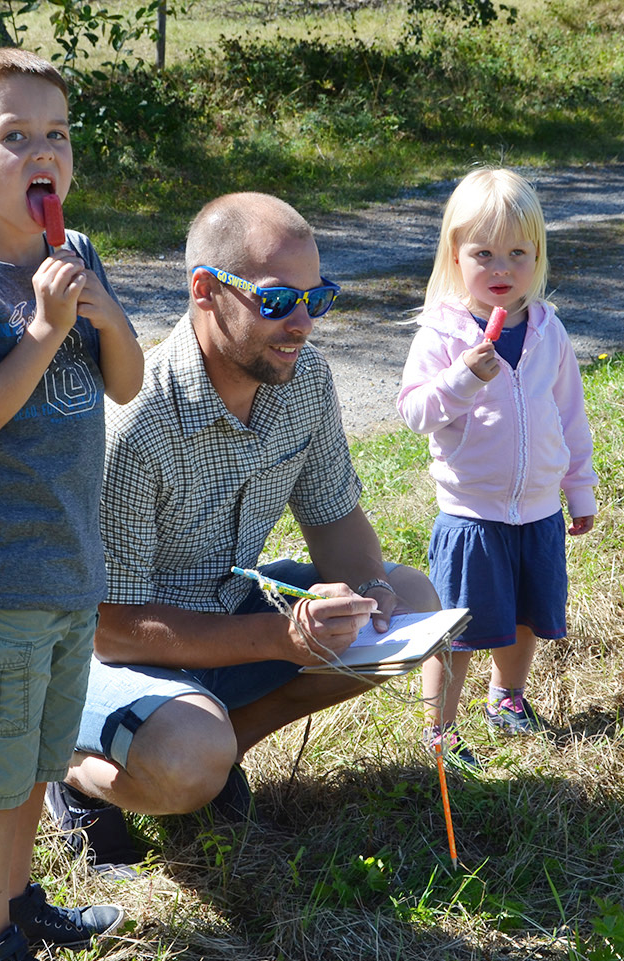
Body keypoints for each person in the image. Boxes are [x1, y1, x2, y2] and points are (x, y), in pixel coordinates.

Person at [45, 191, 442, 873]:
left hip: (223, 616)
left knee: (413, 602)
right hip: (96, 655)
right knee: (190, 756)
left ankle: (220, 757)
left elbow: (334, 517)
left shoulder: (304, 379)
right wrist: (284, 637)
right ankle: (68, 771)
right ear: (205, 291)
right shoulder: (136, 424)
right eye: (277, 301)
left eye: (317, 300)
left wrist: (370, 593)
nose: (301, 324)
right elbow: (110, 626)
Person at [0, 47, 146, 961]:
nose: (42, 151)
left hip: (70, 562)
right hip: (1, 569)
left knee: (43, 759)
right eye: (15, 136)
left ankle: (21, 903)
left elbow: (125, 382)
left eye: (56, 134)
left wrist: (105, 314)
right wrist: (46, 331)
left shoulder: (73, 254)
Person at [396, 167, 598, 769]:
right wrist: (464, 377)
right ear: (454, 257)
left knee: (526, 617)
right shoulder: (442, 333)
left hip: (536, 509)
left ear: (538, 256)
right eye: (483, 254)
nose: (502, 270)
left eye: (518, 253)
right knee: (459, 628)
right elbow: (415, 412)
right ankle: (440, 728)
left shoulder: (547, 330)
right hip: (472, 513)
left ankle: (507, 697)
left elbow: (569, 415)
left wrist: (578, 489)